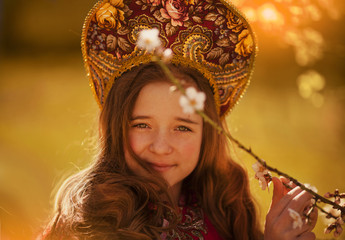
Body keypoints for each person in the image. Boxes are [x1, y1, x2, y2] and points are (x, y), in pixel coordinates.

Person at [40, 0, 318, 239]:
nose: (161, 147)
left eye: (182, 127)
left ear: (207, 135)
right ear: (116, 127)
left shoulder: (225, 210)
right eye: (141, 124)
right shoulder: (93, 218)